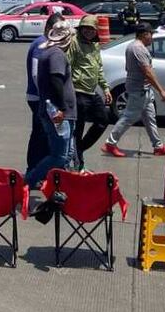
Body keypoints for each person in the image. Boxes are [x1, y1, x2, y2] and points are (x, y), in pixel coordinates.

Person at [101, 23, 165, 157]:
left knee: (150, 119)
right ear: (144, 34)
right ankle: (110, 143)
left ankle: (158, 146)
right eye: (150, 34)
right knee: (129, 117)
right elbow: (147, 71)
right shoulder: (138, 48)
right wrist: (161, 90)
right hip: (139, 90)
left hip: (145, 89)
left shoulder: (136, 46)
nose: (151, 38)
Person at [25, 20, 77, 189]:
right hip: (58, 112)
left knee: (65, 153)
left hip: (56, 111)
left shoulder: (49, 51)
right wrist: (61, 108)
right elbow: (56, 79)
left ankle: (60, 186)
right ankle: (30, 179)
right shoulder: (56, 54)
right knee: (59, 155)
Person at [68, 14, 112, 170]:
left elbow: (98, 68)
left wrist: (105, 88)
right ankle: (78, 164)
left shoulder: (95, 45)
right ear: (81, 29)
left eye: (91, 29)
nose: (88, 32)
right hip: (77, 91)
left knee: (103, 120)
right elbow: (67, 66)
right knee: (77, 129)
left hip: (92, 91)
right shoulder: (74, 43)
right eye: (85, 28)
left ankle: (79, 148)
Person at [25, 12, 64, 170]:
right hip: (39, 97)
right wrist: (46, 99)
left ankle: (40, 168)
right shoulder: (42, 44)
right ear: (48, 28)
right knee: (40, 134)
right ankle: (33, 168)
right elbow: (36, 73)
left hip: (43, 98)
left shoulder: (50, 43)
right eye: (58, 31)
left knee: (44, 134)